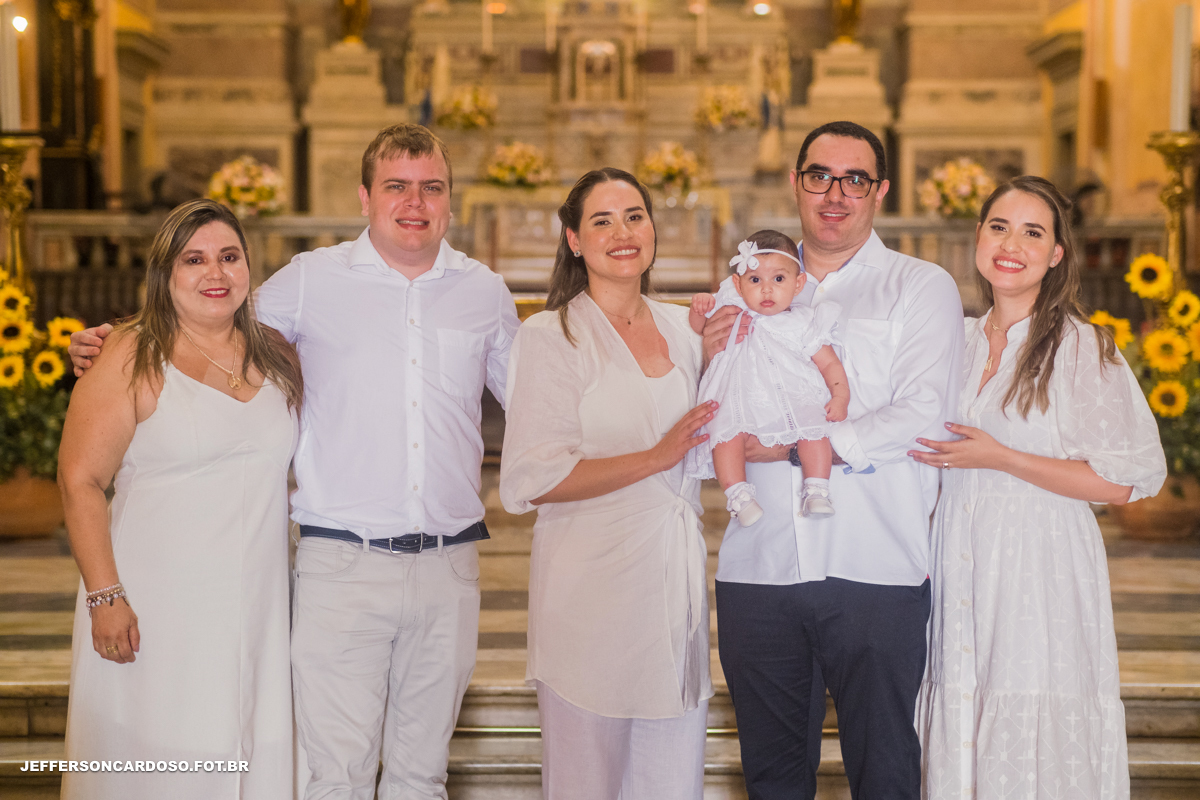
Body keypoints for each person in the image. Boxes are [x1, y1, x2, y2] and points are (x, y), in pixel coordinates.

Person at [68, 124, 520, 800]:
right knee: (331, 778)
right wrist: (110, 343)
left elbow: (539, 400)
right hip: (341, 564)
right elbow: (202, 322)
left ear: (452, 197)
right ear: (365, 197)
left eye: (432, 186)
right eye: (396, 186)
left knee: (423, 777)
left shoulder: (485, 292)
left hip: (448, 566)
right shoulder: (311, 280)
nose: (415, 202)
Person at [703, 120, 965, 799]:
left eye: (855, 179)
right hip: (758, 567)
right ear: (796, 182)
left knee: (884, 775)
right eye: (820, 176)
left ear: (880, 190)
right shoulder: (740, 290)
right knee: (771, 779)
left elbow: (923, 414)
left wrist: (792, 450)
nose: (835, 193)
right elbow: (708, 409)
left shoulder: (919, 285)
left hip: (874, 563)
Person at [911, 176, 1166, 799]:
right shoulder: (953, 341)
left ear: (1056, 254)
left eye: (1032, 233)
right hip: (956, 558)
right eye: (999, 227)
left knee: (1030, 711)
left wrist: (1002, 457)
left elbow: (1125, 481)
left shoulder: (1081, 347)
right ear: (978, 236)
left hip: (1039, 566)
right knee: (962, 706)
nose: (1011, 245)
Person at [58, 199, 303, 799]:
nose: (215, 273)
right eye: (194, 260)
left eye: (229, 257)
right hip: (154, 606)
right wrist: (105, 596)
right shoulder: (128, 353)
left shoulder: (276, 354)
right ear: (165, 273)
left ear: (249, 267)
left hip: (258, 605)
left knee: (248, 746)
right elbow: (79, 480)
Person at [499, 168, 716, 799]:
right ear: (574, 239)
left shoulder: (685, 331)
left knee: (670, 779)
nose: (622, 233)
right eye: (602, 221)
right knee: (586, 781)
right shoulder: (551, 336)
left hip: (671, 586)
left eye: (634, 217)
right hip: (589, 588)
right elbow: (533, 475)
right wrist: (655, 456)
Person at [686, 229, 849, 524]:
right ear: (738, 284)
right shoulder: (732, 310)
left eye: (779, 279)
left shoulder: (804, 321)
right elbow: (701, 328)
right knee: (727, 437)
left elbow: (829, 364)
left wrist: (840, 396)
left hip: (792, 396)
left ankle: (817, 489)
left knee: (814, 431)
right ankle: (738, 496)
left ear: (798, 284)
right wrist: (700, 309)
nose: (766, 290)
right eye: (755, 280)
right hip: (742, 397)